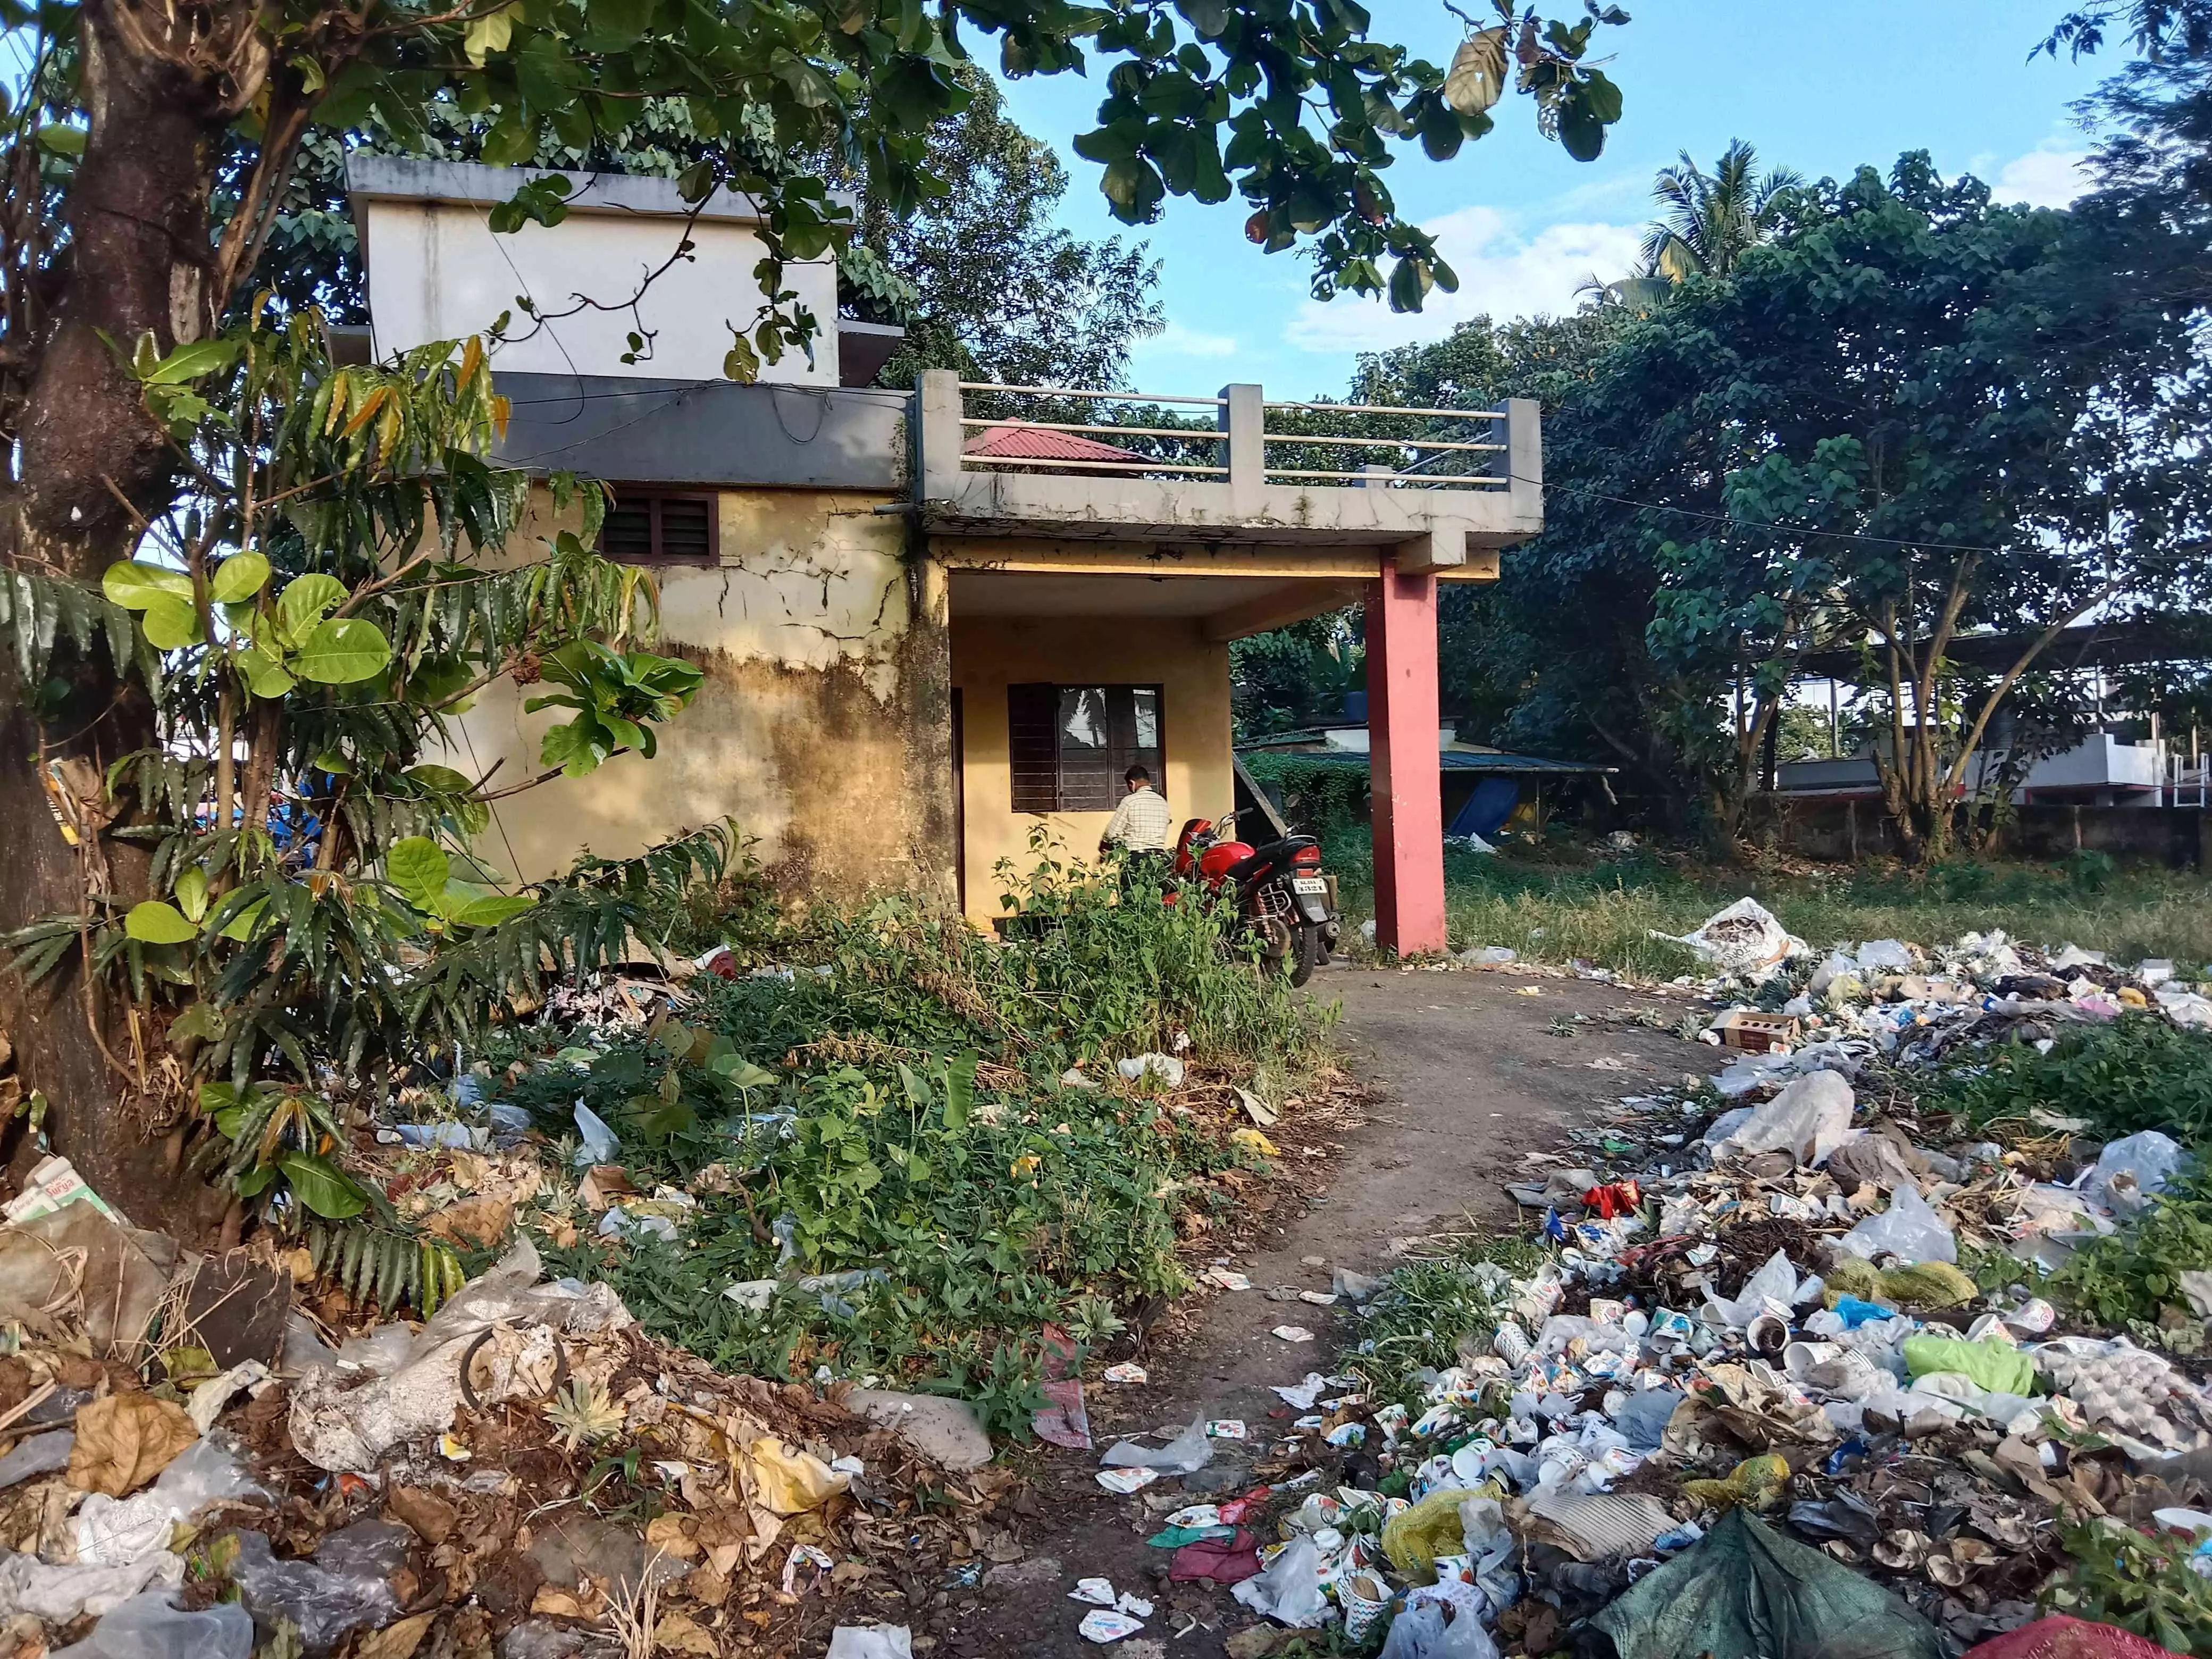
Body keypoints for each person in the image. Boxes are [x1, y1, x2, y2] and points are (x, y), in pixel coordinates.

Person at [1100, 764, 1172, 891]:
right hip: (1160, 860)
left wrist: (1105, 846)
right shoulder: (1163, 802)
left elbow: (1112, 833)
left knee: (1132, 902)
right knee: (1155, 901)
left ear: (1132, 783)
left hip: (1136, 860)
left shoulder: (1130, 801)